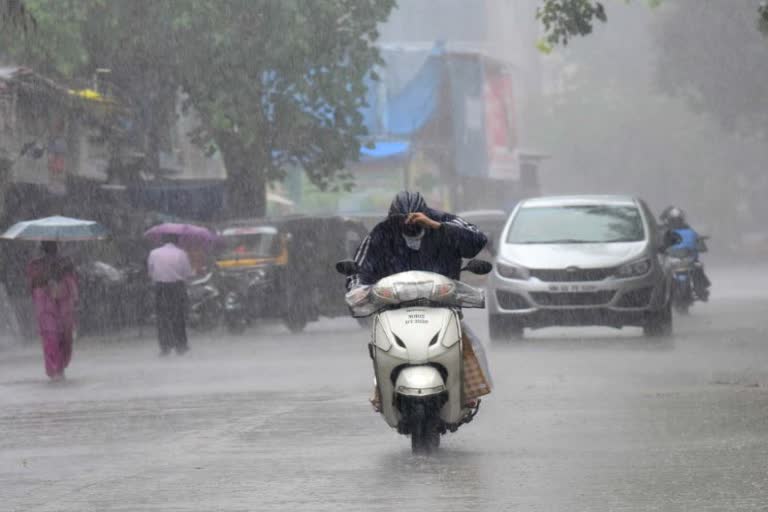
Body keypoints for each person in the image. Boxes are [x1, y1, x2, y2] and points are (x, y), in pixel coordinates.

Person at [347, 191, 491, 410]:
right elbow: (360, 268)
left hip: (441, 304)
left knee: (469, 342)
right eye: (401, 220)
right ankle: (383, 391)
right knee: (380, 344)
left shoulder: (444, 222)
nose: (408, 224)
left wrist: (436, 226)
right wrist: (357, 290)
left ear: (426, 213)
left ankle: (466, 390)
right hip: (394, 308)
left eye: (415, 219)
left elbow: (477, 241)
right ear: (392, 217)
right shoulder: (381, 233)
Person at [26, 241, 78, 381]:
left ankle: (60, 368)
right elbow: (32, 284)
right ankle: (55, 370)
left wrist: (62, 272)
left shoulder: (66, 262)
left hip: (63, 306)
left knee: (65, 338)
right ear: (43, 248)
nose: (51, 248)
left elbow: (72, 282)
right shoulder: (35, 265)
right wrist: (47, 277)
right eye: (48, 246)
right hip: (45, 307)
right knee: (51, 337)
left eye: (53, 245)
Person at [147, 234, 194, 356]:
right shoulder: (181, 253)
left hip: (160, 288)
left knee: (162, 318)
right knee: (178, 317)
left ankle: (165, 346)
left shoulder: (154, 253)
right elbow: (187, 273)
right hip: (177, 288)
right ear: (177, 241)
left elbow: (151, 272)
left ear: (162, 240)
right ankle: (181, 345)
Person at [660, 206, 711, 301]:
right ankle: (659, 294)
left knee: (698, 267)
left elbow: (699, 243)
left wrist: (699, 242)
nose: (676, 222)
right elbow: (656, 242)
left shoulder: (688, 230)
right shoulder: (662, 230)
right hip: (670, 259)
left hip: (687, 258)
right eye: (674, 220)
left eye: (678, 219)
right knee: (659, 273)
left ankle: (701, 290)